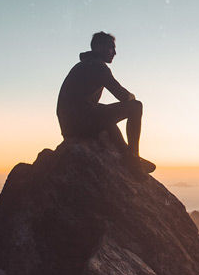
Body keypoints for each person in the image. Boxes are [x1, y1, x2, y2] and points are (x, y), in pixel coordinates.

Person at [56, 32, 156, 173]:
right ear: (98, 47)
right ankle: (133, 158)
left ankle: (127, 154)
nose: (115, 52)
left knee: (104, 112)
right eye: (111, 48)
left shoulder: (85, 64)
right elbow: (122, 95)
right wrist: (132, 97)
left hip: (71, 124)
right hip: (80, 122)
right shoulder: (98, 66)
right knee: (136, 107)